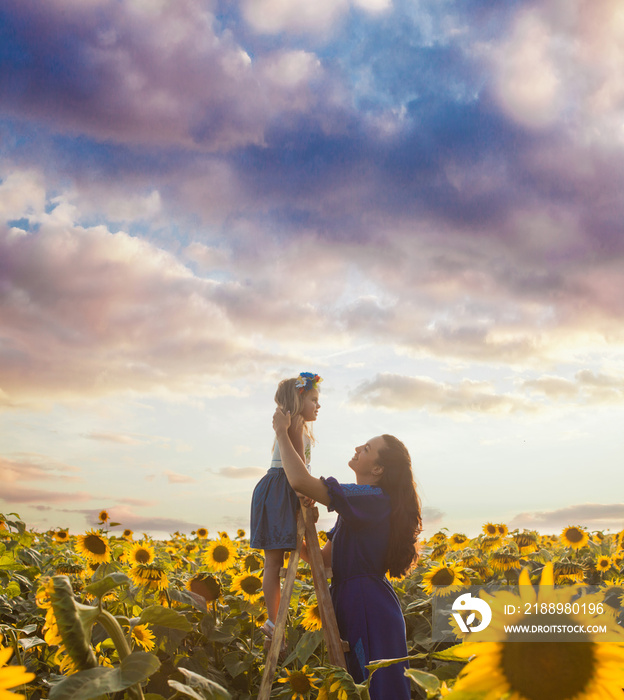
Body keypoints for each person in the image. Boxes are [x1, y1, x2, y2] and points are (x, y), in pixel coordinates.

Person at [272, 408, 421, 700]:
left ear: (378, 469)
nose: (357, 448)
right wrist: (296, 535)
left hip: (366, 603)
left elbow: (301, 481)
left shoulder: (372, 498)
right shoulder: (360, 506)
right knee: (365, 686)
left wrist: (281, 434)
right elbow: (325, 561)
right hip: (358, 598)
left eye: (366, 449)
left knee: (373, 688)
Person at [250, 372, 322, 642]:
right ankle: (273, 619)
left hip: (278, 488)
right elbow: (297, 469)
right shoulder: (295, 426)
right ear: (299, 400)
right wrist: (306, 491)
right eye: (314, 399)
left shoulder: (297, 426)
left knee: (274, 561)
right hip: (282, 488)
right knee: (273, 562)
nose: (318, 405)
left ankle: (273, 618)